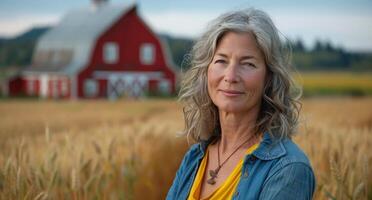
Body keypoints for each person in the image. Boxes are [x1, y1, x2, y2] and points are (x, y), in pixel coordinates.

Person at [166, 8, 315, 200]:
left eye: (248, 64)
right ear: (206, 71)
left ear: (269, 78)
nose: (230, 76)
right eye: (221, 60)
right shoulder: (194, 159)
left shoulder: (288, 169)